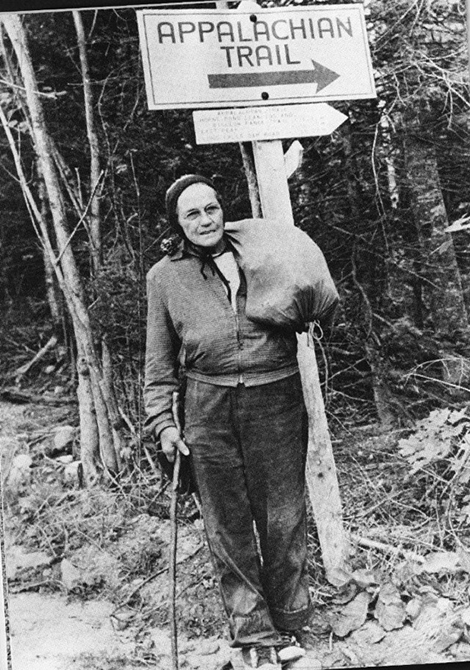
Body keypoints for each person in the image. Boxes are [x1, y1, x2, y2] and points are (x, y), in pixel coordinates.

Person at [144, 174, 328, 670]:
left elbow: (308, 295)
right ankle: (254, 634)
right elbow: (158, 364)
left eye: (211, 208)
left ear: (223, 210)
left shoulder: (260, 252)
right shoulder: (164, 277)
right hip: (208, 407)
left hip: (276, 397)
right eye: (192, 214)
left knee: (284, 515)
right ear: (177, 224)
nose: (205, 220)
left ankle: (290, 620)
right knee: (227, 525)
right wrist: (164, 424)